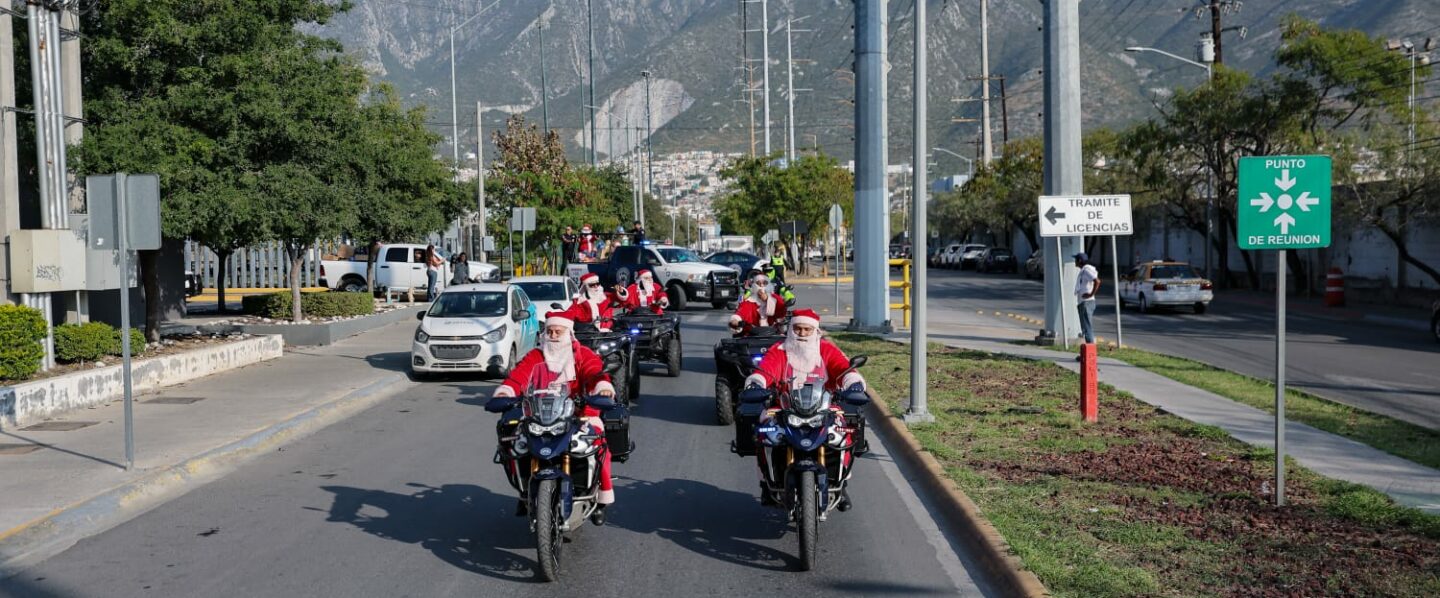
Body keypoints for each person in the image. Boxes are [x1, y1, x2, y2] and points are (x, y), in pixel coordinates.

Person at [492, 311, 618, 521]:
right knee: (513, 443)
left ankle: (602, 497)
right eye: (549, 331)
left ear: (569, 333)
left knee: (598, 444)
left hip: (577, 414)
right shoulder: (536, 355)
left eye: (558, 331)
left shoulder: (582, 354)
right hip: (538, 414)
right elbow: (519, 376)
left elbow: (594, 372)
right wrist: (506, 391)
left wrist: (602, 387)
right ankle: (524, 491)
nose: (553, 335)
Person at [743, 309, 867, 507]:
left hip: (824, 407)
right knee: (764, 433)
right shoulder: (780, 350)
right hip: (783, 407)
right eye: (798, 328)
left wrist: (853, 383)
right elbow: (766, 370)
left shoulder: (826, 349)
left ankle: (841, 485)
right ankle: (767, 483)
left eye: (806, 329)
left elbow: (842, 368)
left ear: (815, 331)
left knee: (843, 434)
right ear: (791, 330)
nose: (801, 333)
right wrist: (756, 383)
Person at [729, 271, 787, 336]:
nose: (762, 286)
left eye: (765, 283)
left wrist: (768, 300)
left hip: (774, 333)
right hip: (753, 334)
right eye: (758, 283)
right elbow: (742, 311)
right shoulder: (749, 301)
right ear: (754, 285)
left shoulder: (775, 298)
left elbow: (781, 311)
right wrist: (735, 320)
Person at [1074, 252, 1100, 345]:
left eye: (1076, 259)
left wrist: (1090, 294)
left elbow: (1097, 281)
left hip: (1086, 303)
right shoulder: (1084, 270)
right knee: (1085, 328)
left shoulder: (1087, 269)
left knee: (1087, 328)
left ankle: (1090, 352)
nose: (1074, 261)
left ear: (1080, 261)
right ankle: (1088, 352)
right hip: (1084, 303)